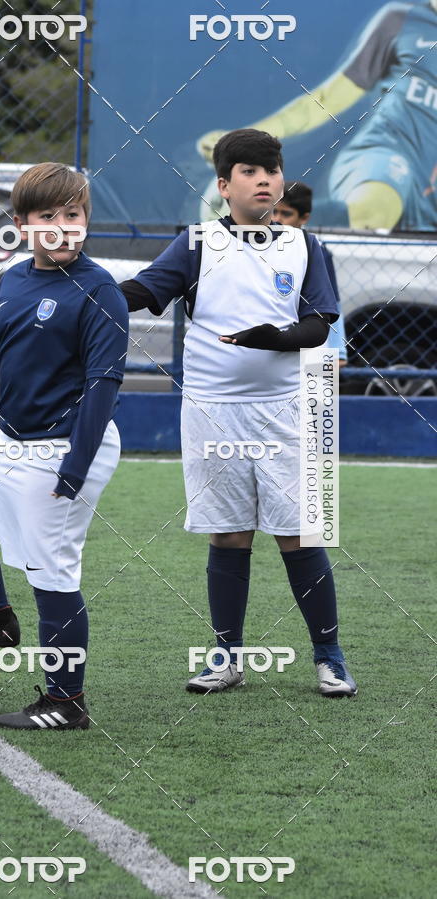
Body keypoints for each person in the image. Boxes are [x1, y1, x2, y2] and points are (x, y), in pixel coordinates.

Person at [120, 129, 357, 697]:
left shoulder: (305, 246)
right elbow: (143, 289)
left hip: (284, 412)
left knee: (299, 534)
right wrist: (83, 285)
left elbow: (319, 323)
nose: (265, 180)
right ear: (224, 186)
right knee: (228, 536)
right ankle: (226, 657)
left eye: (272, 170)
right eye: (250, 171)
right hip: (212, 413)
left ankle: (329, 656)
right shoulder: (197, 244)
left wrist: (274, 339)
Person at [0, 162, 129, 730]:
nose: (62, 227)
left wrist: (76, 466)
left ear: (87, 221)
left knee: (52, 572)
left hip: (67, 445)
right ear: (21, 223)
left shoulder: (101, 291)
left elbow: (103, 386)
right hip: (9, 437)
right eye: (47, 217)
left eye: (73, 215)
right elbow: (7, 371)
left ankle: (66, 702)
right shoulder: (10, 280)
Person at [198, 1, 437, 231]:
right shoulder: (402, 20)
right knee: (374, 211)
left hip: (430, 183)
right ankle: (245, 216)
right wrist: (243, 140)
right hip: (387, 152)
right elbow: (326, 100)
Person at [274, 181, 348, 368]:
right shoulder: (260, 246)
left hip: (315, 344)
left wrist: (338, 351)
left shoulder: (317, 251)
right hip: (275, 344)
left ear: (304, 217)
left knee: (318, 396)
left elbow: (332, 304)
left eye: (286, 213)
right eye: (274, 211)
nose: (278, 219)